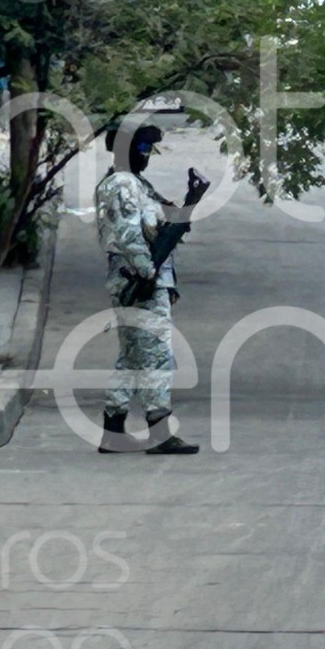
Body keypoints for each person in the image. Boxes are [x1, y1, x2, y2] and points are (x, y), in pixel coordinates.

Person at [95, 125, 209, 456]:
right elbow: (129, 235)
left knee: (132, 356)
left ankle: (113, 429)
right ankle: (159, 431)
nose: (146, 154)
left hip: (142, 275)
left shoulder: (134, 183)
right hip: (138, 277)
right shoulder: (122, 184)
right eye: (142, 147)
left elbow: (156, 225)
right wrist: (147, 272)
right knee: (157, 355)